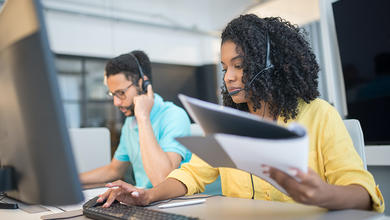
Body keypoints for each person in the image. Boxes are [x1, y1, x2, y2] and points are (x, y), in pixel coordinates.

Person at [95, 15, 385, 212]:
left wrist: (323, 194)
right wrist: (146, 195)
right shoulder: (227, 123)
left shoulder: (320, 115)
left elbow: (362, 193)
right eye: (224, 68)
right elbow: (191, 175)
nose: (229, 77)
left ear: (271, 63)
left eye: (239, 65)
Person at [80, 50, 192, 189]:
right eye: (113, 94)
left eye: (121, 93)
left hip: (171, 204)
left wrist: (143, 117)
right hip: (142, 202)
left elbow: (162, 180)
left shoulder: (174, 116)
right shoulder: (130, 122)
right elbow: (115, 169)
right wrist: (73, 179)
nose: (116, 102)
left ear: (142, 83)